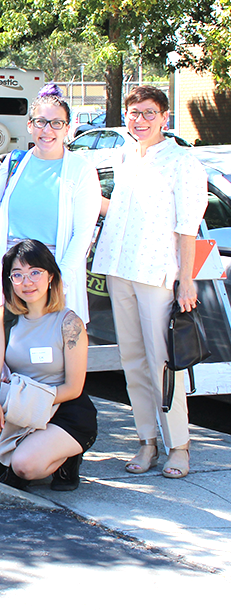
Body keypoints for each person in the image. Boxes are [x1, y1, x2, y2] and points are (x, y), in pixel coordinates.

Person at [91, 85, 206, 479]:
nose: (139, 120)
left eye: (148, 113)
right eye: (134, 113)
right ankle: (146, 440)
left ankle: (179, 444)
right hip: (119, 267)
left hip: (156, 271)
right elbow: (119, 208)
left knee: (162, 362)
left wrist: (186, 279)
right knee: (132, 361)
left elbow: (187, 226)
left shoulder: (181, 161)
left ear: (164, 117)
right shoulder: (123, 157)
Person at [0, 240, 96, 491]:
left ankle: (65, 459)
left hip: (62, 409)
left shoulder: (70, 323)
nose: (27, 282)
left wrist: (28, 403)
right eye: (18, 275)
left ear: (51, 277)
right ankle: (20, 456)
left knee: (25, 467)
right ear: (9, 281)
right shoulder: (3, 316)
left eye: (35, 273)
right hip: (21, 401)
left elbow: (73, 387)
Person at [0, 84, 101, 321]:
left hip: (55, 280)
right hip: (11, 282)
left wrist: (58, 284)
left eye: (56, 123)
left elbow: (82, 234)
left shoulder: (81, 170)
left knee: (54, 353)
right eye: (41, 122)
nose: (47, 130)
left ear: (67, 128)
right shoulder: (13, 163)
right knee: (8, 350)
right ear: (30, 125)